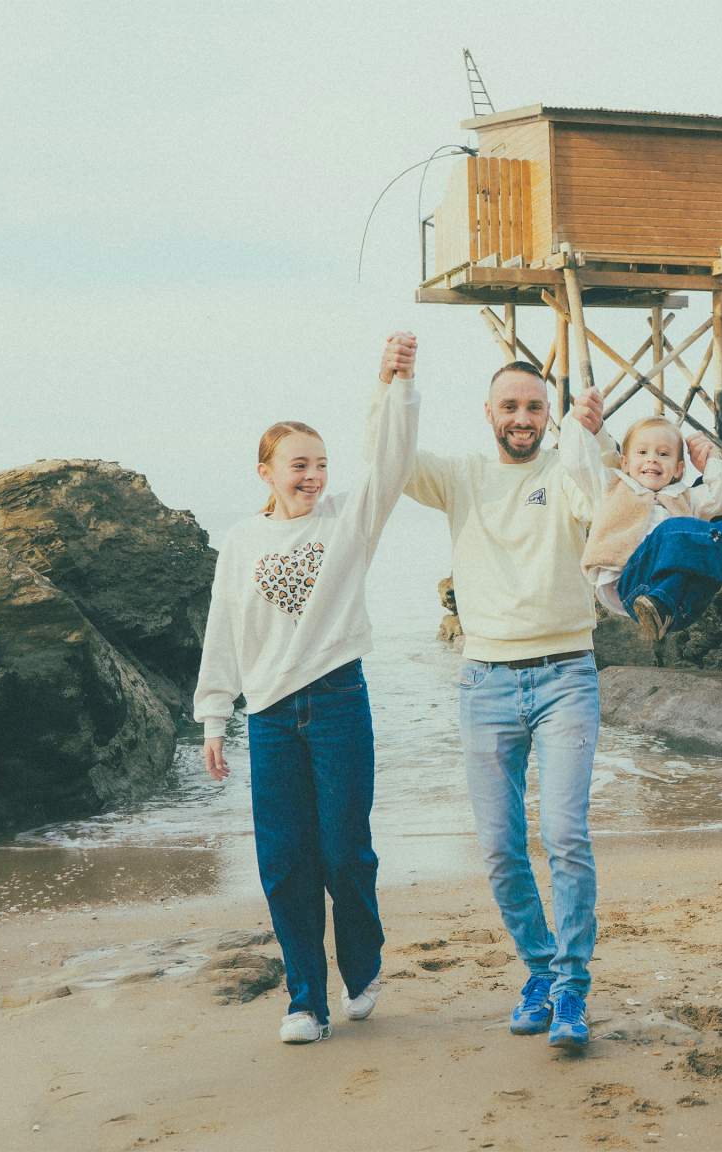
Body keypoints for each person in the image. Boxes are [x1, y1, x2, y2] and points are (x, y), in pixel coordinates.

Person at [366, 360, 612, 1051]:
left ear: (548, 414)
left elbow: (603, 503)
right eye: (510, 406)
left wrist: (592, 438)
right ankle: (540, 969)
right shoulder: (460, 476)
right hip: (485, 683)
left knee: (565, 837)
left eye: (534, 407)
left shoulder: (565, 470)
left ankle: (572, 986)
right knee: (501, 850)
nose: (522, 418)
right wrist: (393, 386)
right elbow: (388, 458)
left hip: (566, 675)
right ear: (489, 412)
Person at [194, 333, 420, 1045]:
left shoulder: (348, 522)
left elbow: (392, 462)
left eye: (321, 464)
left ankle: (362, 968)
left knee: (346, 851)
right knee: (285, 860)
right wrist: (213, 717)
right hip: (268, 714)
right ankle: (305, 1002)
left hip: (338, 700)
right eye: (299, 465)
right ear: (265, 472)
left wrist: (393, 385)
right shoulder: (241, 541)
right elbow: (224, 628)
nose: (314, 477)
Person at [566, 413, 722, 641]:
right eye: (642, 452)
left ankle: (662, 608)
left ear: (678, 469)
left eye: (663, 454)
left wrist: (711, 461)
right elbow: (579, 465)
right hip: (632, 583)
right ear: (625, 463)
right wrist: (579, 422)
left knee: (699, 558)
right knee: (673, 531)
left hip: (682, 606)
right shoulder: (613, 485)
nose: (652, 459)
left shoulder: (684, 496)